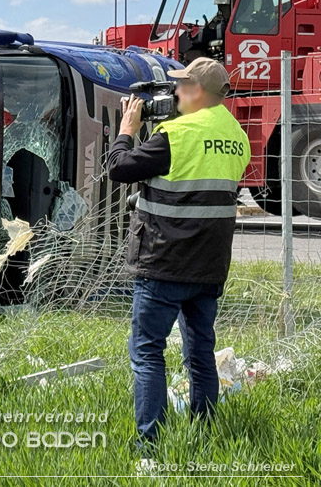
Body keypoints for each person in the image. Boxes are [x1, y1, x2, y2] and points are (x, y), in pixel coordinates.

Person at [106, 58, 251, 453]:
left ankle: (149, 447)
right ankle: (203, 436)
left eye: (181, 86)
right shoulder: (237, 136)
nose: (174, 93)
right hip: (209, 266)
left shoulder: (176, 134)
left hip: (164, 262)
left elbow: (119, 168)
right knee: (201, 354)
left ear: (197, 91)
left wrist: (127, 129)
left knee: (148, 352)